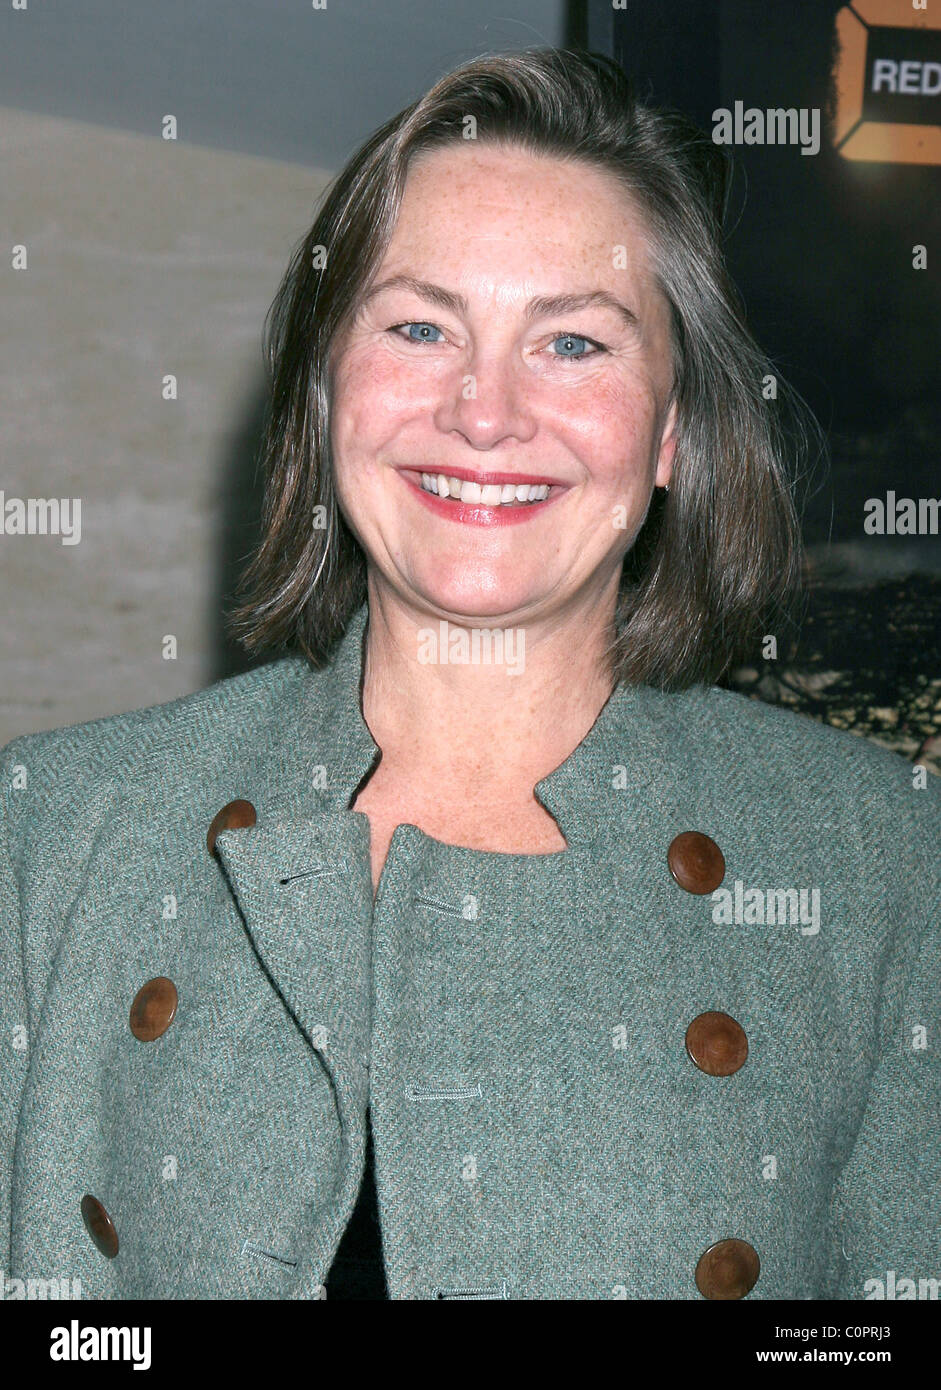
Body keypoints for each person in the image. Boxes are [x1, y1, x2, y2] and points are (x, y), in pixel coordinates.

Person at [1, 49, 938, 1302]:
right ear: (329, 389)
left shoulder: (878, 857)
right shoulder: (53, 830)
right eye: (420, 325)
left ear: (668, 434)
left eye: (569, 342)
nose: (482, 411)